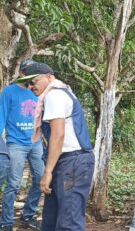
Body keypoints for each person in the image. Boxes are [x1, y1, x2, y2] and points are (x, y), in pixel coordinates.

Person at [17, 62, 95, 231]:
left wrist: (47, 172)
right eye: (27, 83)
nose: (31, 87)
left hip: (73, 162)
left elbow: (58, 135)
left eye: (34, 81)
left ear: (49, 77)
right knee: (51, 221)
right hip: (64, 162)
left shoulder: (54, 95)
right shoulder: (52, 96)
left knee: (69, 222)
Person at [0, 59, 44, 231]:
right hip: (15, 143)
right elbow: (1, 116)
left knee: (41, 179)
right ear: (21, 73)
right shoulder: (9, 92)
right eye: (27, 72)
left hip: (36, 142)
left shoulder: (38, 92)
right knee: (13, 184)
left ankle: (28, 215)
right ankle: (6, 221)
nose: (30, 77)